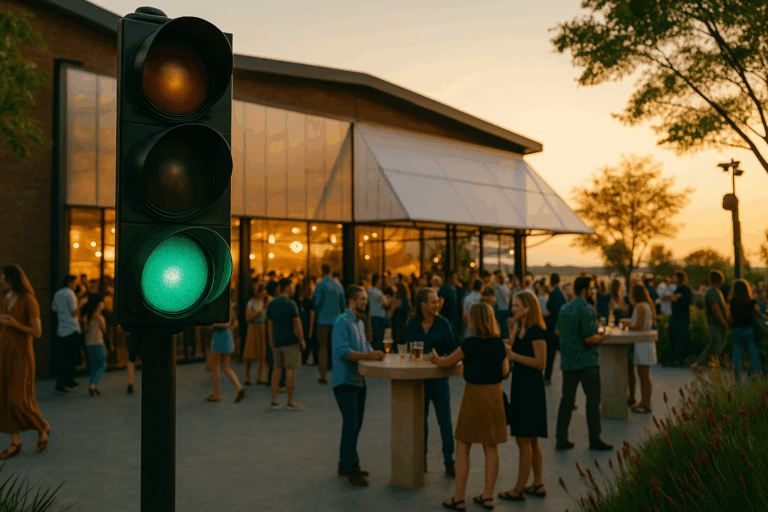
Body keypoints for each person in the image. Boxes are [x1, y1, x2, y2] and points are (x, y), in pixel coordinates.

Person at [429, 302, 508, 511]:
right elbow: (505, 371)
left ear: (475, 320)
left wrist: (435, 357)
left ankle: (459, 497)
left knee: (464, 444)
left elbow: (447, 363)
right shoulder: (499, 344)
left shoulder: (470, 343)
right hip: (494, 395)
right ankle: (488, 495)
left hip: (474, 395)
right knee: (491, 446)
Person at [331, 285, 386, 487]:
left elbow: (365, 348)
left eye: (365, 298)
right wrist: (369, 355)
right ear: (352, 301)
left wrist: (377, 354)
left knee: (354, 426)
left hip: (359, 381)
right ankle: (351, 469)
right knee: (351, 425)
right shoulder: (341, 322)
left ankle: (345, 464)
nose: (365, 302)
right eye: (362, 299)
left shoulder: (359, 323)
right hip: (344, 381)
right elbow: (344, 352)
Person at [499, 291, 548, 501]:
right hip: (520, 386)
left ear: (528, 308)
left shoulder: (537, 331)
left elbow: (541, 363)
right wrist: (509, 339)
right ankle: (537, 483)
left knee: (524, 440)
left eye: (517, 305)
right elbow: (513, 350)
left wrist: (514, 356)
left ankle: (519, 489)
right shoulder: (520, 328)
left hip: (531, 389)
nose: (512, 308)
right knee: (532, 439)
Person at [554, 276, 613, 451]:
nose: (593, 292)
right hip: (587, 362)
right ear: (585, 290)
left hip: (569, 361)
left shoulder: (564, 308)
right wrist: (601, 337)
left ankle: (561, 437)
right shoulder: (587, 309)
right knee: (593, 402)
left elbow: (558, 331)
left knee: (567, 401)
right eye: (592, 289)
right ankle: (595, 439)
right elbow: (589, 339)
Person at [0, 264, 50, 458]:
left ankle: (42, 426)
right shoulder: (6, 299)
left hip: (21, 355)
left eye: (3, 278)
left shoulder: (29, 300)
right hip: (5, 352)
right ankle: (15, 441)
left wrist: (14, 323)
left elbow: (37, 332)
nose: (2, 281)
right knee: (4, 396)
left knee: (17, 399)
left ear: (12, 279)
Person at [406, 288, 457, 477]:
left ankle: (449, 461)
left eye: (438, 301)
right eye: (433, 302)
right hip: (420, 381)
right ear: (423, 305)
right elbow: (407, 349)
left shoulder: (443, 323)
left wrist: (441, 358)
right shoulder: (412, 324)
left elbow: (453, 350)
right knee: (421, 422)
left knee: (445, 421)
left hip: (439, 379)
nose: (437, 305)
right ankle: (422, 460)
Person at [267, 278, 306, 410]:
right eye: (292, 286)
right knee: (290, 370)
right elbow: (297, 323)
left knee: (276, 370)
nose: (293, 288)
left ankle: (274, 400)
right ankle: (290, 401)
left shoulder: (272, 303)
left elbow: (269, 324)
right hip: (291, 342)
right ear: (287, 287)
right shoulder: (291, 303)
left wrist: (271, 341)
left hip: (277, 342)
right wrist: (302, 340)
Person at [51, 275, 87, 395]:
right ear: (71, 282)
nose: (77, 284)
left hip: (61, 329)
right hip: (71, 329)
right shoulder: (70, 293)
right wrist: (81, 303)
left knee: (64, 358)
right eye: (75, 282)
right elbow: (74, 313)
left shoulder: (58, 293)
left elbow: (54, 308)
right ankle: (63, 384)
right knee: (70, 359)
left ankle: (68, 381)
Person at [206, 292, 245, 403]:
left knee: (215, 366)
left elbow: (226, 323)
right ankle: (239, 387)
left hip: (220, 336)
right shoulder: (230, 306)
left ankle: (216, 393)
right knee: (226, 367)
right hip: (227, 335)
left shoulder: (223, 306)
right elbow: (231, 323)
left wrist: (212, 324)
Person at [310, 264, 346, 384]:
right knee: (335, 348)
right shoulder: (338, 284)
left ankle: (323, 375)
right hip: (336, 320)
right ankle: (338, 373)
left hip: (322, 320)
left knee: (322, 348)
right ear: (331, 270)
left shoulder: (320, 285)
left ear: (322, 271)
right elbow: (343, 303)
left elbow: (317, 303)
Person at [626, 284, 657, 413]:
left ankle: (645, 403)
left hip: (642, 343)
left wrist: (627, 324)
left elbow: (638, 325)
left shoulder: (640, 306)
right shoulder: (647, 305)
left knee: (643, 374)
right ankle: (645, 402)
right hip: (646, 342)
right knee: (645, 374)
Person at [692, 270, 729, 372]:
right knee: (717, 344)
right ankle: (706, 364)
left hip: (716, 322)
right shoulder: (713, 291)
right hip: (716, 322)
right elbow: (716, 308)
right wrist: (724, 322)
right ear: (719, 279)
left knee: (714, 343)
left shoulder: (714, 290)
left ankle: (701, 363)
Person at [728, 279, 763, 381]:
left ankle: (736, 376)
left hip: (737, 329)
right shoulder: (751, 301)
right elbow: (758, 313)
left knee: (737, 353)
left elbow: (731, 317)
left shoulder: (733, 301)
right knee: (753, 352)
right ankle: (756, 373)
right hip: (749, 329)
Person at [659, 271, 693, 367]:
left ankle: (677, 359)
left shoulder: (683, 289)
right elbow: (665, 298)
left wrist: (673, 298)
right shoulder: (677, 289)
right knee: (676, 337)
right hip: (678, 317)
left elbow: (675, 299)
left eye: (673, 277)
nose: (671, 279)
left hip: (680, 318)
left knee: (678, 337)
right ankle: (676, 359)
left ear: (679, 278)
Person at [81, 294, 107, 397]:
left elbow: (84, 330)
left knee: (93, 366)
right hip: (98, 343)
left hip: (88, 344)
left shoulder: (86, 316)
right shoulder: (100, 317)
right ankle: (93, 385)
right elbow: (104, 330)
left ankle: (92, 386)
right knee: (102, 365)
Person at [243, 282, 269, 385]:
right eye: (261, 290)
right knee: (249, 354)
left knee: (262, 354)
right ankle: (248, 377)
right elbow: (248, 317)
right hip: (253, 328)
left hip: (262, 328)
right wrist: (258, 312)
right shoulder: (251, 302)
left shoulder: (266, 301)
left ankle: (260, 377)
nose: (263, 292)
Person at [543, 273, 566, 386]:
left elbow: (550, 309)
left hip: (553, 327)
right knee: (562, 353)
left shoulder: (553, 293)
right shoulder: (561, 293)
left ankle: (547, 377)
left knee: (550, 354)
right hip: (560, 326)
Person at [367, 273, 390, 352]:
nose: (381, 282)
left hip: (372, 316)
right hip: (380, 316)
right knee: (381, 337)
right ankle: (381, 352)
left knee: (375, 337)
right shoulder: (379, 292)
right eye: (380, 280)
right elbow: (386, 304)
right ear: (377, 281)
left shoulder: (368, 291)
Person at [437, 273, 460, 338]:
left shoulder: (456, 289)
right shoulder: (445, 288)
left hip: (454, 319)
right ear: (449, 279)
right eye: (454, 277)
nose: (456, 279)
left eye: (456, 277)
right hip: (447, 317)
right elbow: (440, 301)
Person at [389, 283, 411, 349]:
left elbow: (391, 313)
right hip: (405, 323)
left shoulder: (398, 299)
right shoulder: (407, 299)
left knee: (397, 342)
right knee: (403, 342)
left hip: (397, 323)